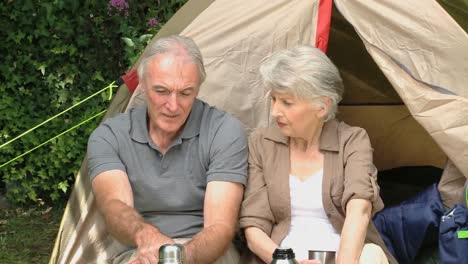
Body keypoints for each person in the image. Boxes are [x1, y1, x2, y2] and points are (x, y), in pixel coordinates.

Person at [87, 35, 248, 264]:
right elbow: (114, 206)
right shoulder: (109, 136)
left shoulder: (225, 131)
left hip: (207, 253)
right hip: (138, 249)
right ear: (142, 84)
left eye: (185, 93)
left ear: (198, 88)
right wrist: (146, 236)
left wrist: (176, 258)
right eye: (161, 91)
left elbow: (220, 226)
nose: (173, 106)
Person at [239, 45, 397, 264]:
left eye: (287, 102)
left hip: (345, 259)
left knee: (371, 257)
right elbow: (254, 227)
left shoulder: (352, 140)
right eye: (273, 99)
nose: (275, 111)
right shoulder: (261, 143)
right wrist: (286, 262)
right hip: (280, 260)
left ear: (322, 107)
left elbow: (359, 210)